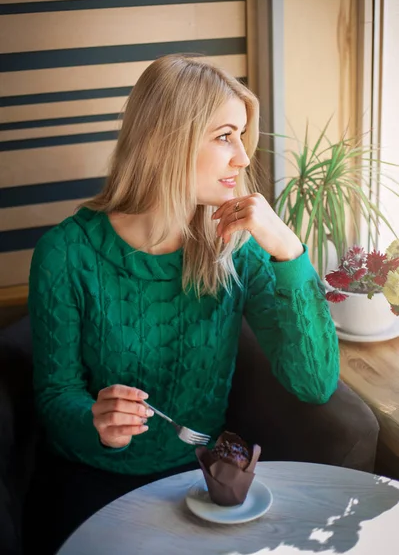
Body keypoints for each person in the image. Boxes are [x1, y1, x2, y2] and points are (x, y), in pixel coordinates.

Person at [24, 54, 339, 553]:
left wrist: (289, 251)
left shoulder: (238, 246)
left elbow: (316, 383)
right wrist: (96, 422)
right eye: (224, 136)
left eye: (242, 136)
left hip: (200, 480)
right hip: (92, 478)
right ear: (164, 141)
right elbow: (55, 391)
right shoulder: (66, 253)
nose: (242, 157)